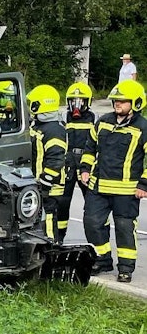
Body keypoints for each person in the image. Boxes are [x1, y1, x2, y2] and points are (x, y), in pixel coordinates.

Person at [80, 79, 147, 282]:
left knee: (124, 228)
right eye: (115, 100)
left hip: (127, 191)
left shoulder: (143, 127)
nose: (117, 104)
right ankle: (102, 259)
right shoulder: (103, 121)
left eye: (122, 101)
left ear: (135, 103)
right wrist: (84, 169)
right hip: (98, 187)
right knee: (92, 222)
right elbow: (90, 147)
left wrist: (144, 184)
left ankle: (125, 268)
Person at [25, 84, 68, 240]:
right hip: (41, 184)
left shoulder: (54, 130)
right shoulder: (41, 127)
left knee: (48, 219)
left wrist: (45, 183)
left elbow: (56, 160)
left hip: (50, 187)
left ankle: (50, 245)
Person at [57, 81, 97, 241]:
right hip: (67, 164)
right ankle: (59, 238)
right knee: (62, 203)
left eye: (80, 102)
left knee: (92, 205)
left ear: (88, 102)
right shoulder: (63, 117)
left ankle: (95, 241)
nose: (76, 106)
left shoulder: (95, 119)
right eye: (73, 101)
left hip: (86, 166)